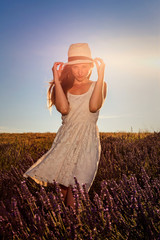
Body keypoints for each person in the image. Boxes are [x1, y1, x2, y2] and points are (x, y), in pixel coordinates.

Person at [23, 43, 107, 207]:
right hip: (66, 143)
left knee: (76, 198)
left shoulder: (100, 85)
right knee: (62, 201)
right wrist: (57, 80)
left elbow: (94, 107)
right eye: (75, 67)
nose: (80, 71)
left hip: (88, 143)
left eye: (84, 66)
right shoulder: (63, 87)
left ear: (91, 66)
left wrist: (101, 75)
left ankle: (70, 230)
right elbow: (63, 109)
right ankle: (61, 230)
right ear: (70, 68)